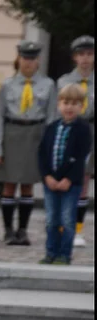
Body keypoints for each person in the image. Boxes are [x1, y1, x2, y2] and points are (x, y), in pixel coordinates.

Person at [0, 41, 56, 246]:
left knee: (28, 185)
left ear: (38, 61)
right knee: (9, 184)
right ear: (19, 59)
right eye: (25, 58)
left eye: (32, 58)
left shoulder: (47, 85)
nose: (28, 63)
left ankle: (23, 229)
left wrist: (48, 146)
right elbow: (0, 117)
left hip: (34, 134)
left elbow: (50, 118)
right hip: (12, 132)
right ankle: (8, 229)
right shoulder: (8, 85)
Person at [40, 85, 92, 264]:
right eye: (66, 102)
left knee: (67, 220)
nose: (69, 107)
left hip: (71, 184)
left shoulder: (83, 130)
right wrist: (47, 176)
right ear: (59, 104)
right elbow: (42, 154)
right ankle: (50, 252)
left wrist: (67, 178)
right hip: (50, 182)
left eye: (74, 103)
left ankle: (64, 254)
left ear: (81, 106)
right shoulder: (51, 128)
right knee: (51, 220)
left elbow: (80, 157)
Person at [56, 36, 94, 245]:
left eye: (89, 54)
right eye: (81, 54)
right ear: (74, 57)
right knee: (67, 179)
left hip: (90, 130)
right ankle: (63, 226)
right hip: (70, 130)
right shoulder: (64, 81)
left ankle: (77, 229)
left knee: (84, 182)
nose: (85, 59)